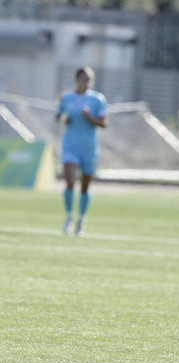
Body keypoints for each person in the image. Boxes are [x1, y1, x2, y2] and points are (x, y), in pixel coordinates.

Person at [55, 66, 109, 236]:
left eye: (90, 79)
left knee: (85, 187)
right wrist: (64, 119)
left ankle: (81, 220)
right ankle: (69, 216)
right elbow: (59, 116)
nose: (88, 82)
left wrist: (89, 117)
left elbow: (104, 123)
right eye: (85, 79)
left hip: (89, 148)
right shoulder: (67, 98)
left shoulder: (97, 99)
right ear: (77, 80)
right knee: (70, 182)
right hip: (70, 146)